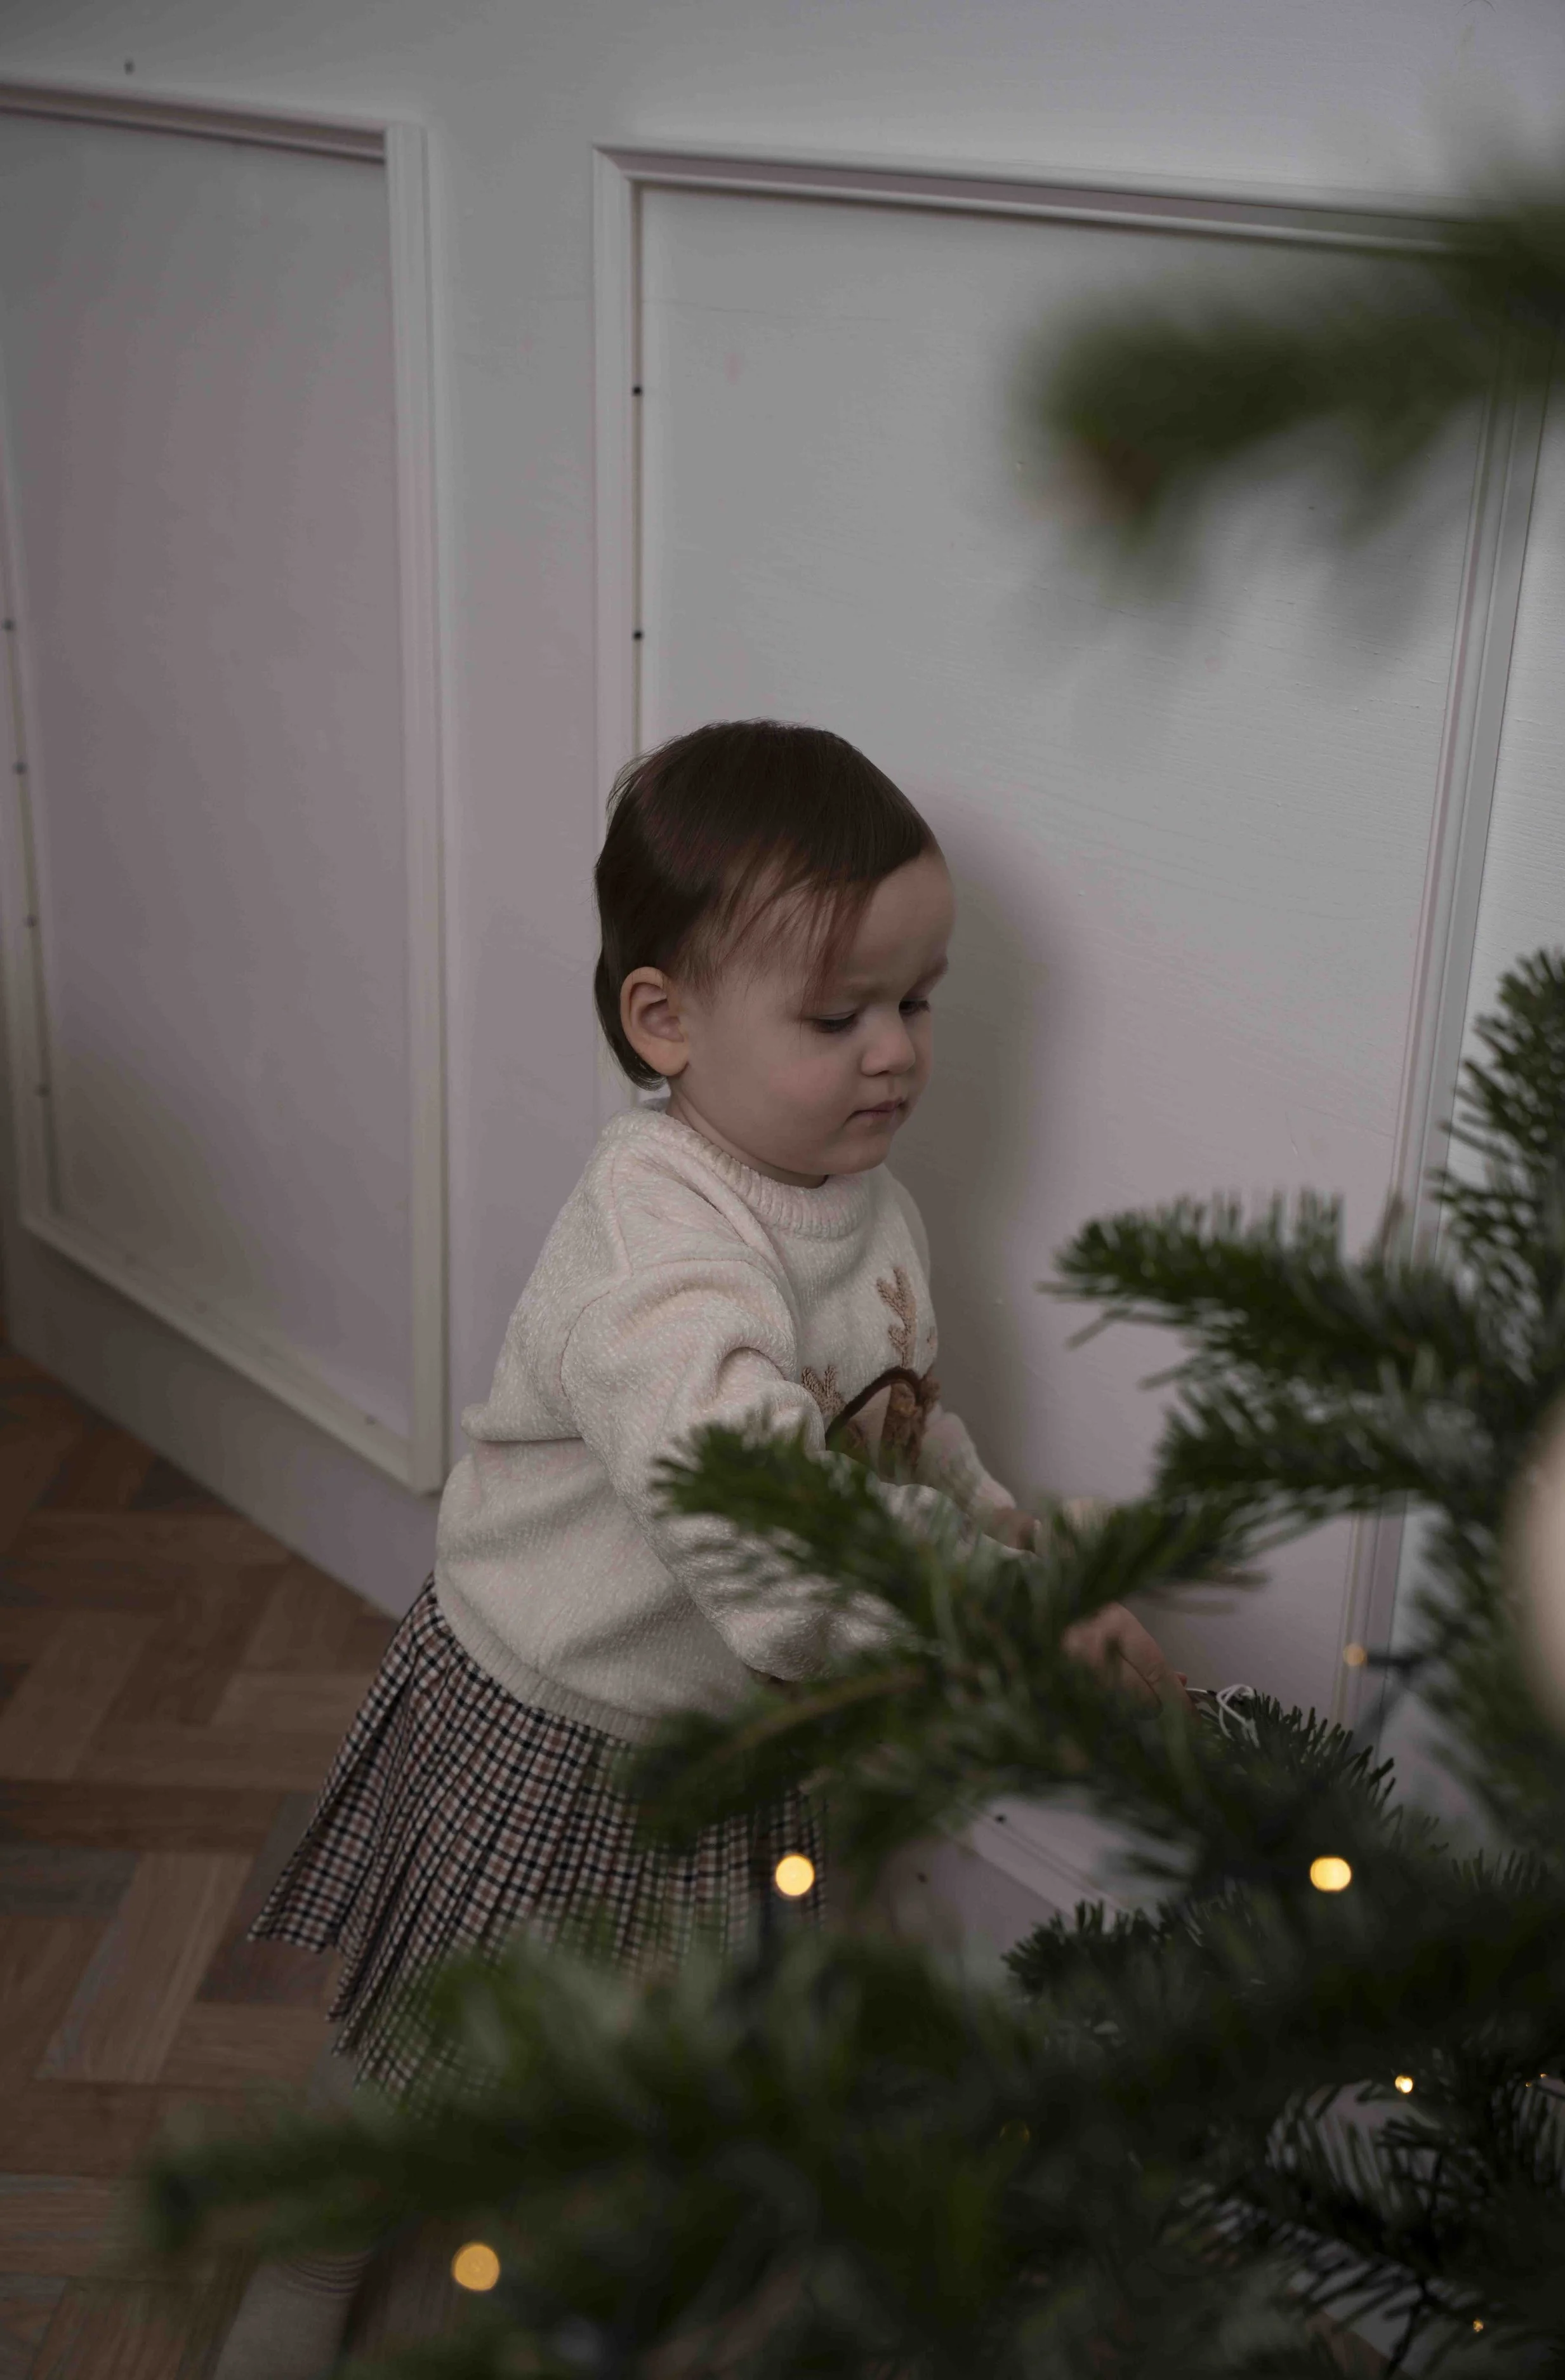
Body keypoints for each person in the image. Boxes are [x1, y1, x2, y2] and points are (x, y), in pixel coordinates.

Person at [213, 718, 1187, 2378]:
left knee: (704, 2014)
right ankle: (307, 2267)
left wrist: (1014, 1543)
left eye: (917, 1001)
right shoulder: (655, 1260)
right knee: (430, 2039)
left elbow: (894, 1423)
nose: (894, 1055)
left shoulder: (861, 1197)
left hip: (728, 1738)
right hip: (554, 1717)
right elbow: (775, 1553)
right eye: (836, 1015)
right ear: (663, 1020)